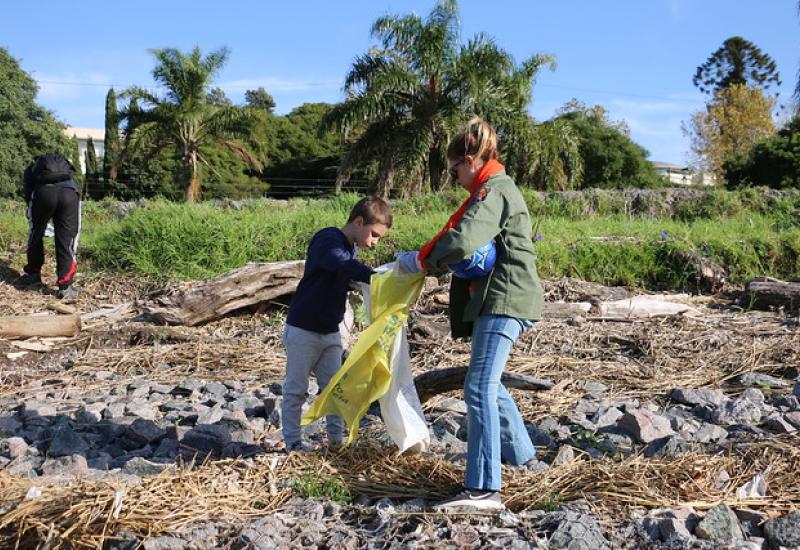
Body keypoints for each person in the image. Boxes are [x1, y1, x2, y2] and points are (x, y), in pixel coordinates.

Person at [396, 117, 543, 510]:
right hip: (502, 298)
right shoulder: (497, 187)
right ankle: (526, 460)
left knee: (477, 387)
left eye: (455, 168)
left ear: (473, 159)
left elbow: (462, 240)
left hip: (505, 300)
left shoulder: (493, 191)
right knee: (490, 384)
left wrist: (421, 260)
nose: (454, 176)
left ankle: (483, 489)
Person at [282, 195, 392, 452]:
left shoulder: (349, 248)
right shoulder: (328, 239)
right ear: (358, 222)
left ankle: (335, 441)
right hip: (304, 329)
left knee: (334, 388)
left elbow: (347, 268)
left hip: (330, 331)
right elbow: (341, 264)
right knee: (296, 388)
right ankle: (292, 442)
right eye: (374, 235)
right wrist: (375, 277)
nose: (374, 243)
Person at [18, 153, 82, 299]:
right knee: (67, 239)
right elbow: (75, 182)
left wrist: (32, 212)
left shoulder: (31, 169)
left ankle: (33, 274)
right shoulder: (65, 167)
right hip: (69, 194)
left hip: (43, 195)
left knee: (36, 233)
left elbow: (29, 193)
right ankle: (65, 286)